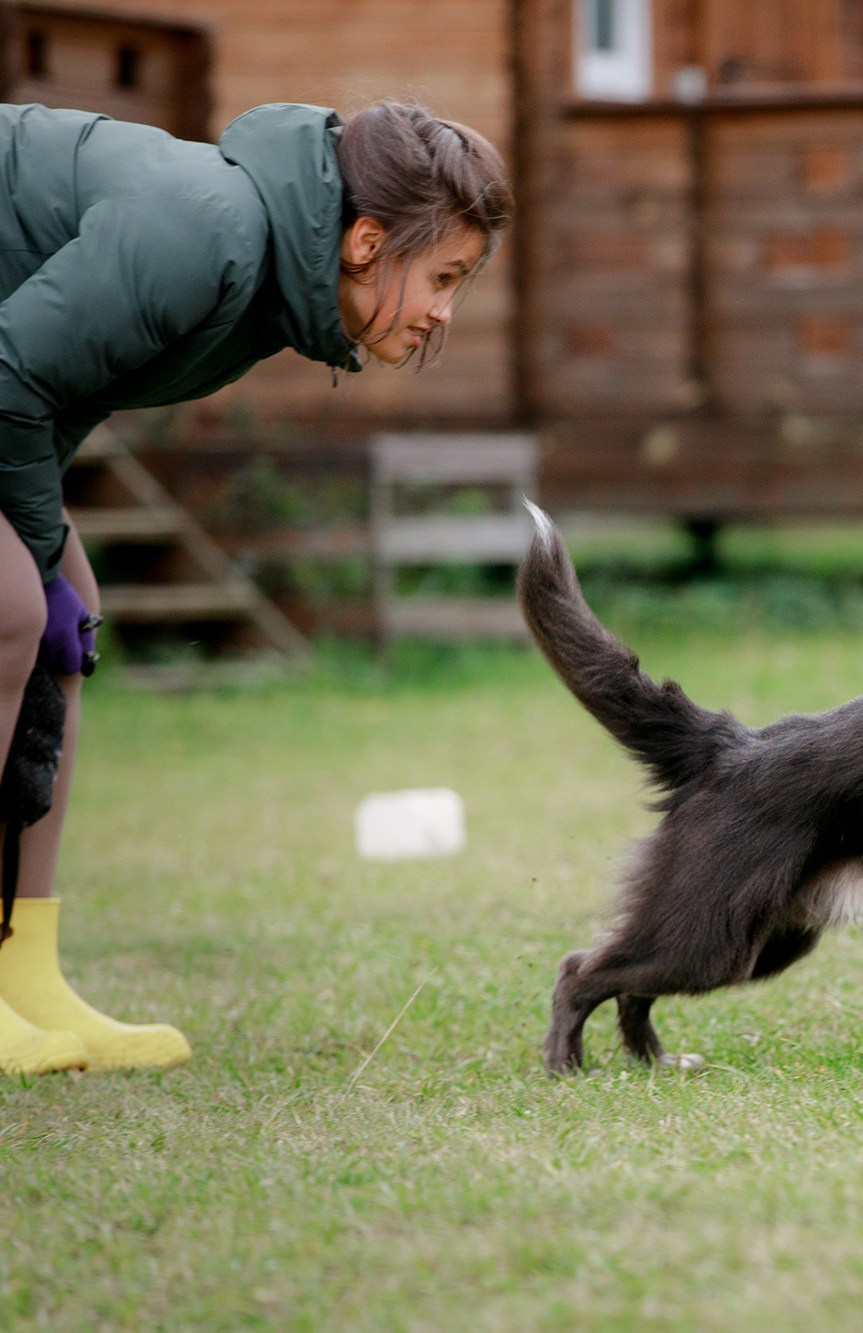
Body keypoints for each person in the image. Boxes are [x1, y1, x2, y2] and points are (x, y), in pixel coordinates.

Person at [0, 100, 513, 1074]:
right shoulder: (209, 230)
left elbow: (61, 385)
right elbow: (11, 373)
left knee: (67, 606)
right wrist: (27, 549)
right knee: (13, 606)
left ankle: (23, 967)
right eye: (443, 277)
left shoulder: (261, 285)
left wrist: (42, 543)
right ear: (366, 242)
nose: (445, 311)